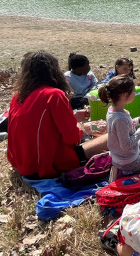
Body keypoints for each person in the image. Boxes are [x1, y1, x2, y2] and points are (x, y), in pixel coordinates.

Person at [7, 51, 108, 179]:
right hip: (48, 165)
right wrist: (80, 127)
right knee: (110, 137)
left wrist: (73, 117)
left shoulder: (18, 96)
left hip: (22, 163)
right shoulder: (54, 95)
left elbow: (40, 124)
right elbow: (72, 139)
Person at [98, 75, 140, 177]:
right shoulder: (120, 118)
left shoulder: (113, 110)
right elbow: (126, 145)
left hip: (125, 152)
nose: (134, 93)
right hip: (126, 160)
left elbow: (125, 127)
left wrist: (138, 121)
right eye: (133, 91)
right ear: (125, 95)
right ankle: (125, 171)